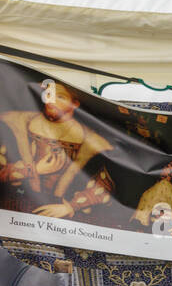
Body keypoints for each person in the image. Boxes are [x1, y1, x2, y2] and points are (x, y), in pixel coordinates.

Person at [0, 79, 114, 221]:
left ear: (75, 103)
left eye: (60, 97)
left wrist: (70, 207)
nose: (52, 100)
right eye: (49, 94)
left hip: (62, 219)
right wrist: (34, 170)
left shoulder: (92, 140)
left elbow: (107, 185)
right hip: (15, 211)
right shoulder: (16, 122)